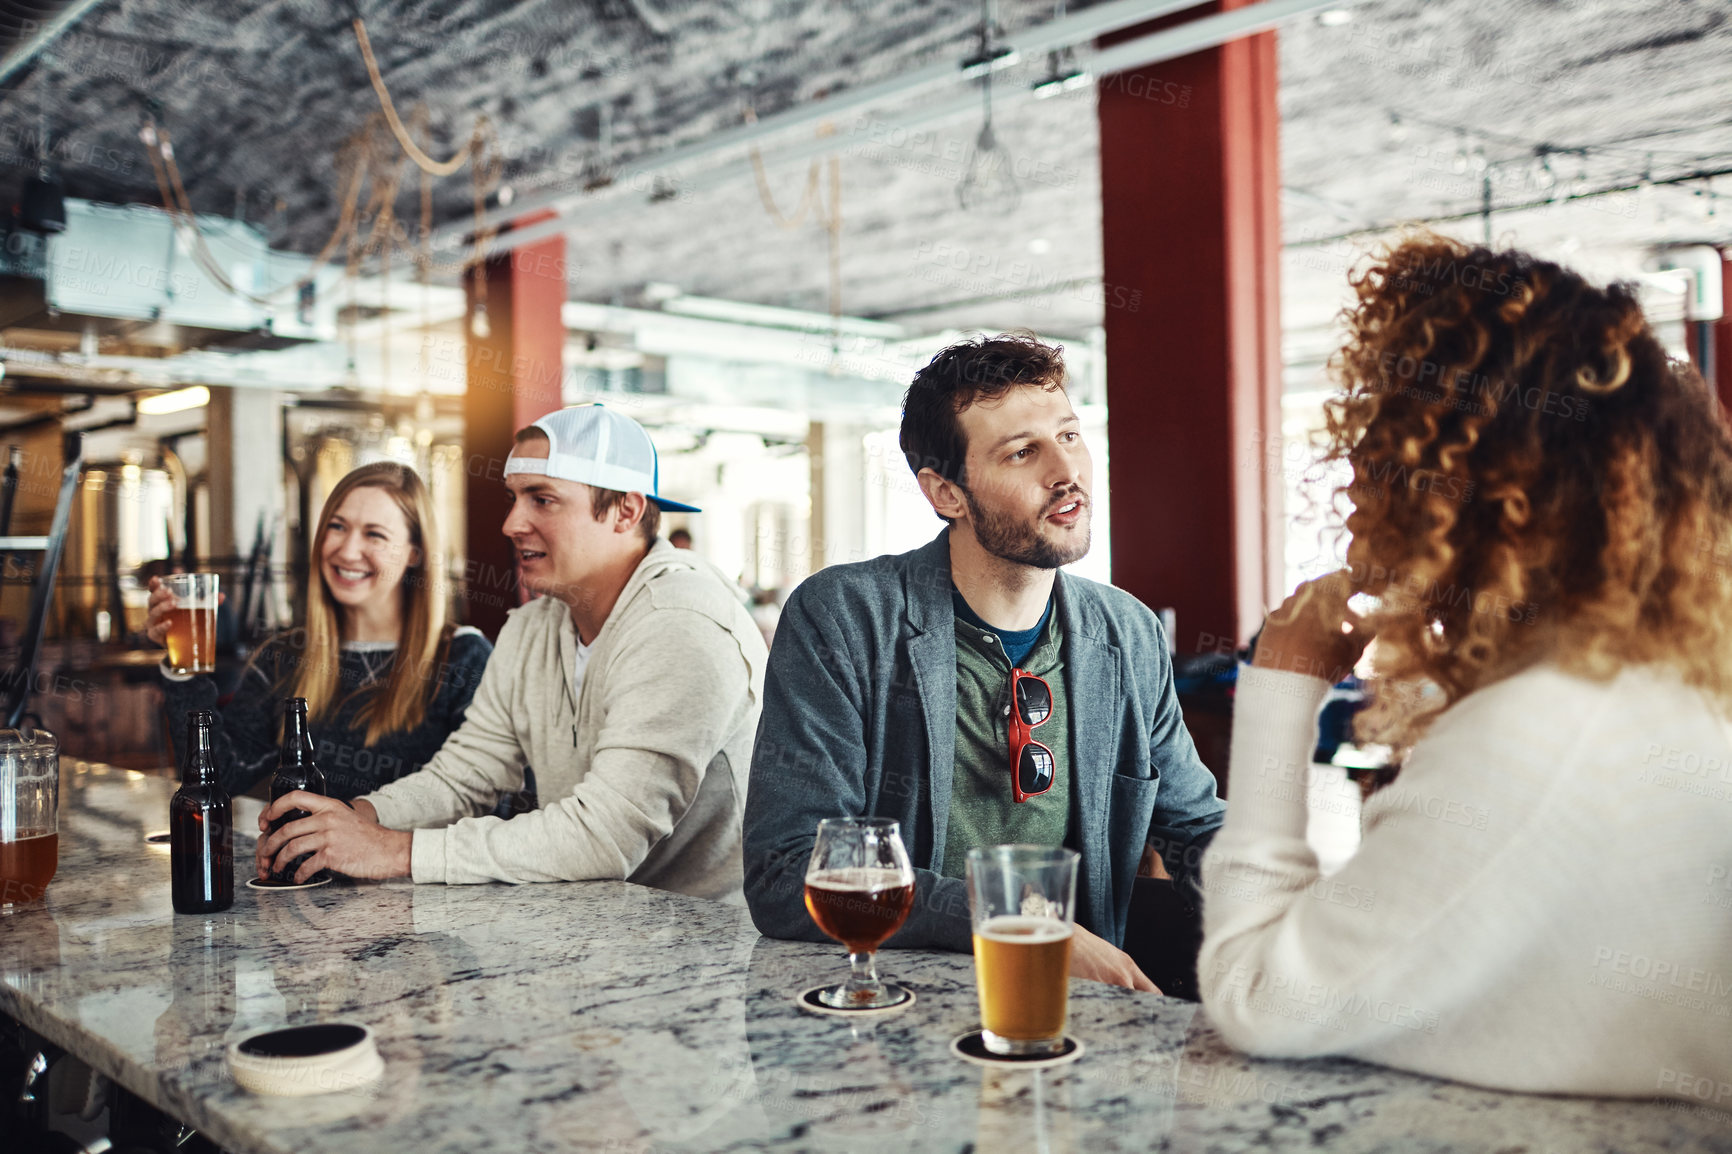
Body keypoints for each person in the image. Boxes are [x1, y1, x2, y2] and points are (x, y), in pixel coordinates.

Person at [1198, 236, 1732, 1099]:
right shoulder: (1656, 682)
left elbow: (1257, 998)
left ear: (1454, 479)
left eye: (1380, 438)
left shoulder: (1539, 731)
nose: (1353, 485)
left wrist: (1280, 682)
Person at [744, 333, 1226, 990]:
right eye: (1023, 452)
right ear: (946, 494)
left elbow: (1195, 826)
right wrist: (1018, 921)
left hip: (1078, 1016)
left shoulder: (1128, 634)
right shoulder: (844, 619)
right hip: (888, 1012)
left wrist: (1318, 902)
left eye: (1070, 436)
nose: (1067, 472)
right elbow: (785, 872)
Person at [255, 404, 768, 900]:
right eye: (514, 497)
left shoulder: (682, 621)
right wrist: (355, 820)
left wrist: (395, 851)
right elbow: (466, 774)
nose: (511, 523)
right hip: (594, 930)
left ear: (625, 510)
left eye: (542, 499)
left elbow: (605, 836)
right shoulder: (534, 625)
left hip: (710, 952)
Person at [147, 462, 492, 800]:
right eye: (337, 526)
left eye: (374, 534)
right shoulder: (285, 656)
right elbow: (219, 779)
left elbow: (492, 798)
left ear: (415, 553)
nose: (347, 550)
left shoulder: (463, 657)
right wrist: (183, 668)